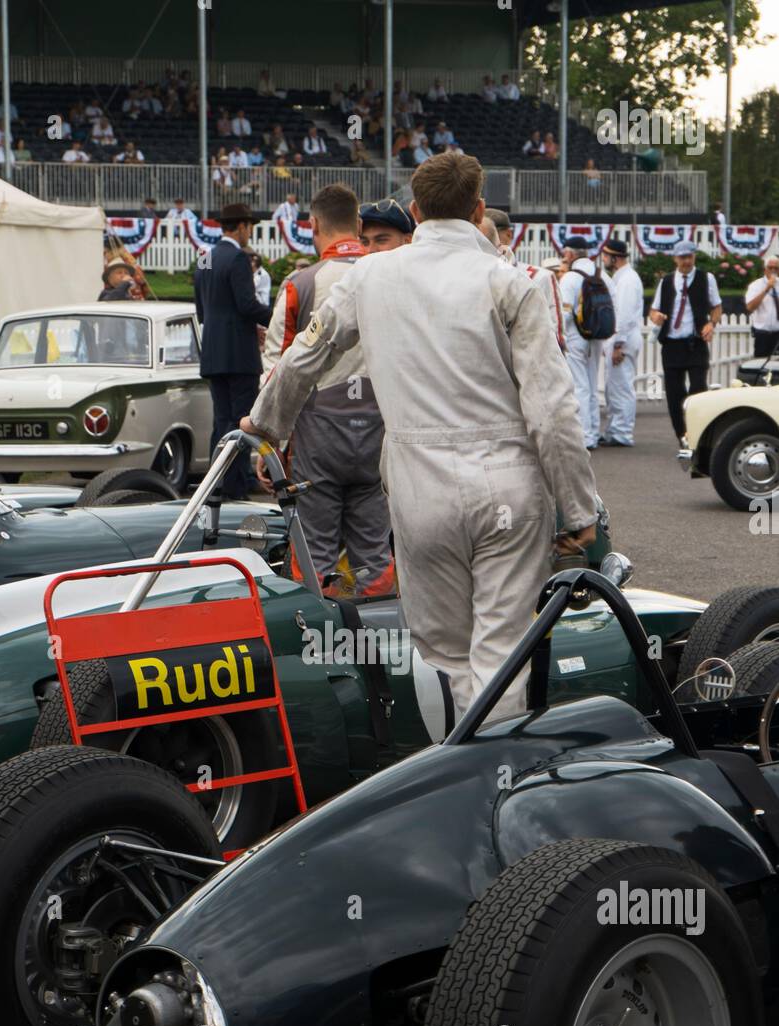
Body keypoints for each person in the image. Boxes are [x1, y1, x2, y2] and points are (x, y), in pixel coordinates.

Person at [240, 152, 597, 719]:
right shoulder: (511, 283)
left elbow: (307, 353)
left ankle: (465, 776)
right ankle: (499, 779)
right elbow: (551, 410)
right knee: (502, 651)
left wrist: (265, 423)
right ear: (479, 211)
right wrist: (580, 509)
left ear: (415, 210)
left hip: (419, 488)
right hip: (508, 486)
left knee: (451, 657)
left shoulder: (371, 275)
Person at [257, 183, 395, 599]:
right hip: (380, 432)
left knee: (313, 553)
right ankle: (384, 647)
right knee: (374, 554)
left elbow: (278, 371)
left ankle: (315, 649)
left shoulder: (301, 283)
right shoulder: (388, 278)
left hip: (317, 437)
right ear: (357, 225)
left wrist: (265, 446)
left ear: (313, 225)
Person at [194, 202, 271, 498]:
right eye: (249, 227)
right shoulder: (238, 258)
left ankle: (216, 483)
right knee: (241, 423)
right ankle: (236, 487)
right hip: (238, 354)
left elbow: (201, 310)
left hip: (213, 352)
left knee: (221, 421)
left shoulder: (204, 258)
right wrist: (277, 318)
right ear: (240, 226)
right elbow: (247, 305)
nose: (249, 233)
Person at [649, 239, 722, 456]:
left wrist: (711, 323)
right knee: (674, 395)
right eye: (682, 257)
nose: (686, 261)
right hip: (672, 345)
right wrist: (657, 317)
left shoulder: (706, 279)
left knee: (698, 390)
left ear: (694, 257)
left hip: (695, 343)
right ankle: (683, 436)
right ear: (675, 259)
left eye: (689, 257)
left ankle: (700, 437)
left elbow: (717, 307)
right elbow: (653, 311)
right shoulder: (667, 282)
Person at [560, 236, 608, 451]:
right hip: (596, 335)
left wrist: (558, 332)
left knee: (579, 386)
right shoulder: (601, 275)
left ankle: (585, 436)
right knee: (591, 384)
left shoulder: (570, 278)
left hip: (576, 336)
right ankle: (594, 432)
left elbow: (565, 312)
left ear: (570, 254)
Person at [598, 237, 643, 447]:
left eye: (606, 256)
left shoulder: (627, 280)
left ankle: (622, 433)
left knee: (621, 387)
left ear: (614, 258)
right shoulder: (622, 277)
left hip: (623, 341)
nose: (604, 259)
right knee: (614, 387)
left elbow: (623, 317)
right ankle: (615, 429)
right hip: (620, 339)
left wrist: (617, 345)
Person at [745, 255, 779, 360]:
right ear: (765, 269)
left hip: (778, 334)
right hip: (762, 335)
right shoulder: (755, 286)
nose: (773, 270)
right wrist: (767, 289)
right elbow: (750, 307)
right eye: (770, 268)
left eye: (776, 268)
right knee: (761, 366)